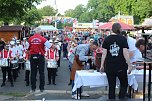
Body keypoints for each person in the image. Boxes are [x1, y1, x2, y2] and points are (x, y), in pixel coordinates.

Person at [100, 23, 132, 99]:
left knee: (111, 86)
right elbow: (125, 53)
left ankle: (111, 99)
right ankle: (121, 97)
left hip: (109, 65)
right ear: (119, 29)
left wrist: (101, 65)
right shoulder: (123, 39)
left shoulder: (107, 39)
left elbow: (104, 53)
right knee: (124, 83)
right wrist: (129, 65)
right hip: (121, 65)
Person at [28, 27, 52, 92]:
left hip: (33, 56)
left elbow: (27, 48)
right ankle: (41, 88)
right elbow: (50, 46)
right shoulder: (43, 39)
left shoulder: (30, 39)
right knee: (41, 73)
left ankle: (33, 88)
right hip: (40, 56)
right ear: (40, 32)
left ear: (35, 32)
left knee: (33, 73)